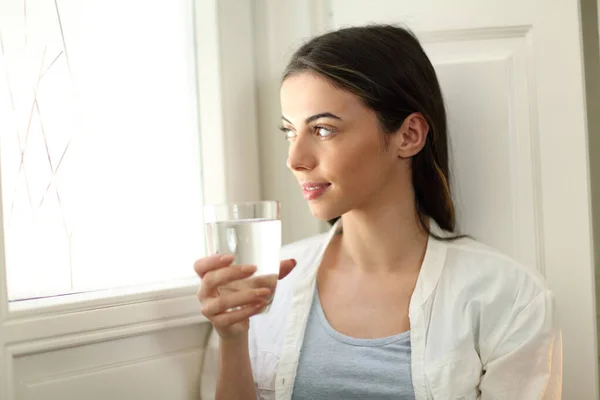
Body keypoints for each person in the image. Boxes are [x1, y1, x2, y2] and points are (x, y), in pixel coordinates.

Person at [195, 24, 562, 400]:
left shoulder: (510, 297)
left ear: (408, 136)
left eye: (323, 130)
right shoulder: (266, 287)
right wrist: (233, 338)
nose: (295, 159)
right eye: (290, 131)